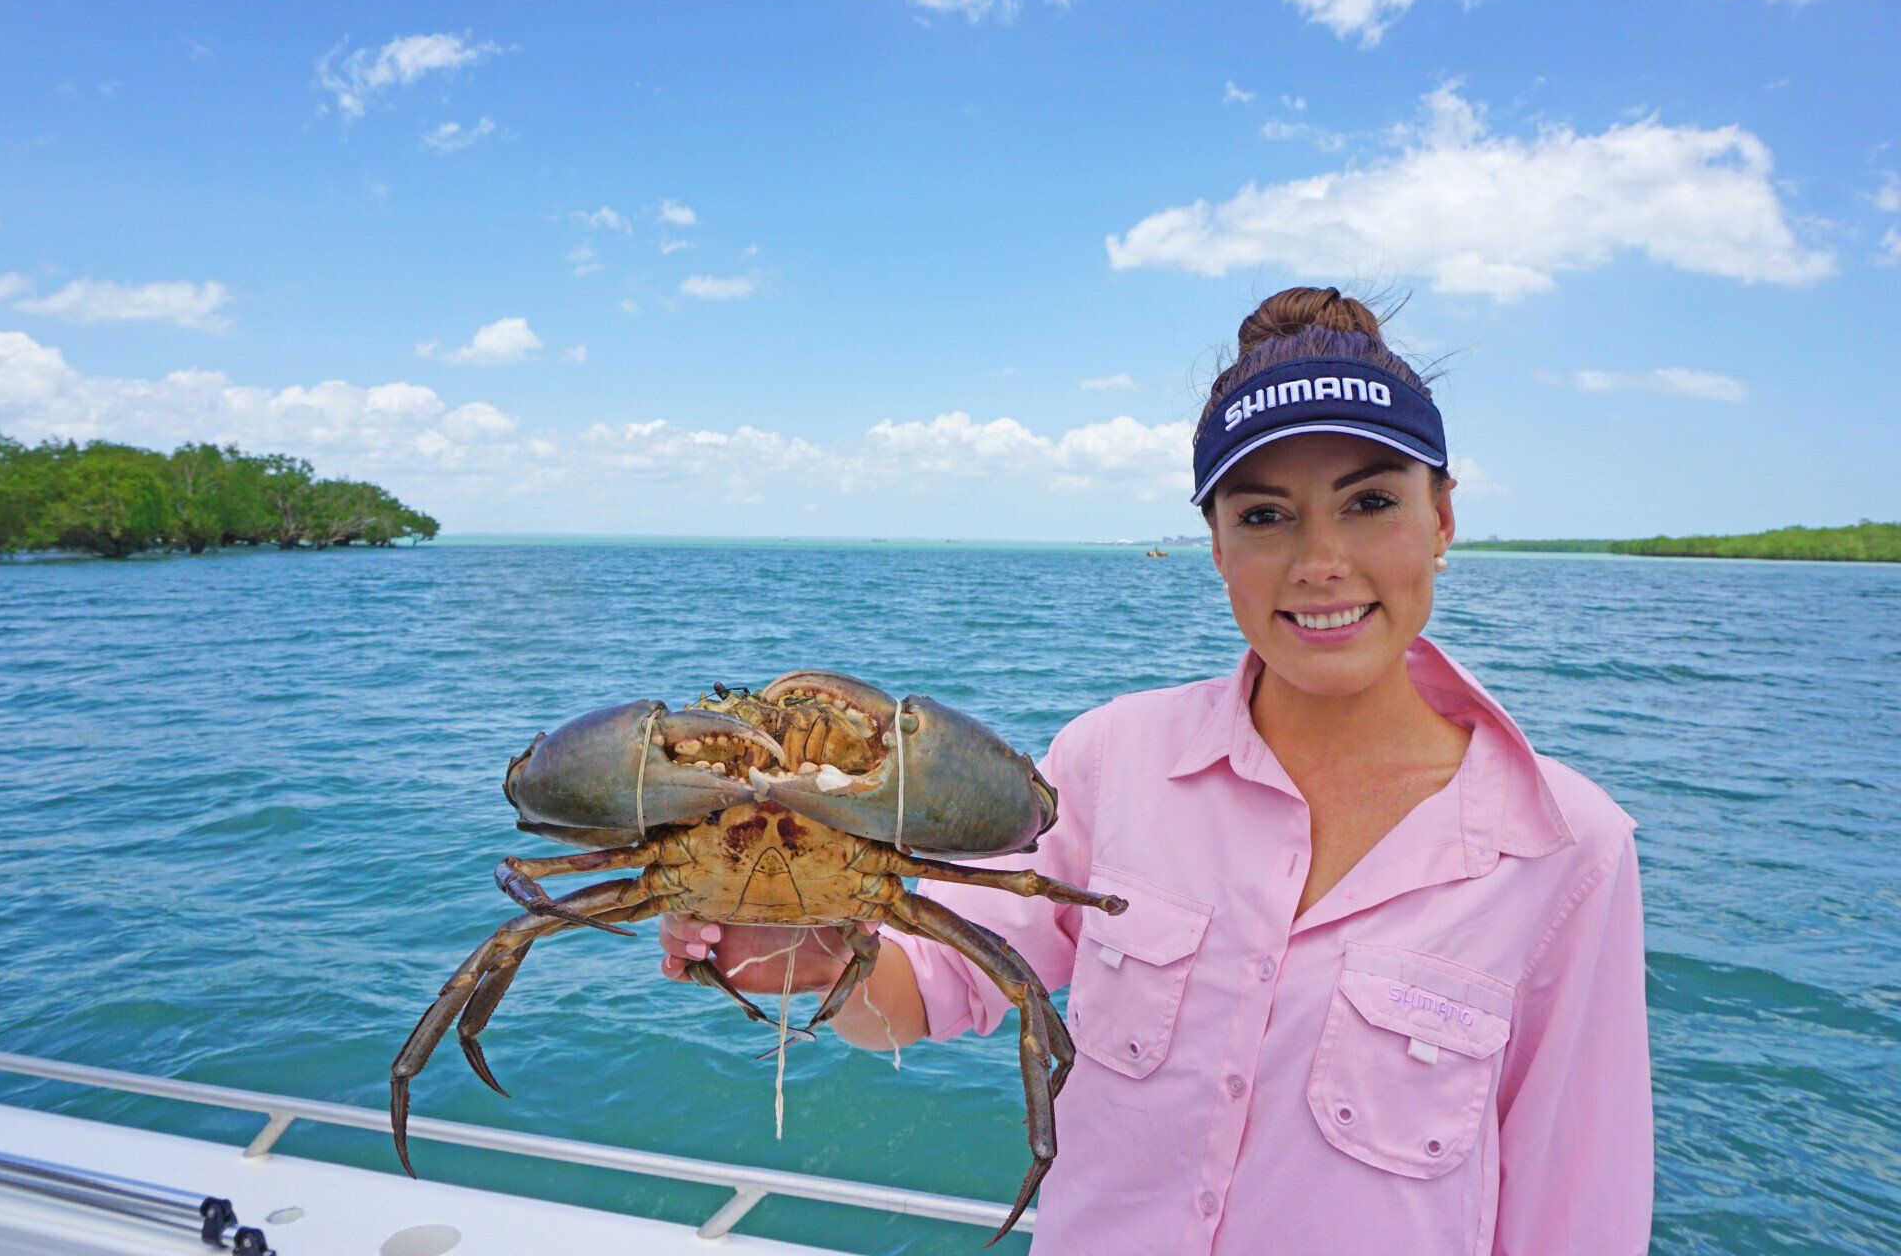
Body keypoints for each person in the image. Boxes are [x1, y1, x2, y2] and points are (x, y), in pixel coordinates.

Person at [660, 287, 1655, 1255]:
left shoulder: (1570, 845)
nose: (1320, 560)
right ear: (1216, 544)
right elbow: (923, 988)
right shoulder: (1108, 760)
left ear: (1443, 519)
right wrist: (796, 944)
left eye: (1370, 502)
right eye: (1265, 516)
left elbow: (1575, 1209)